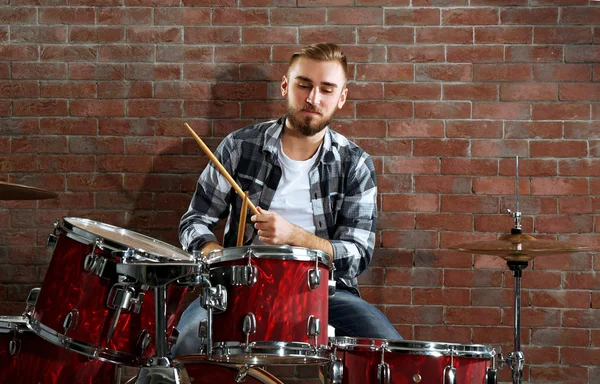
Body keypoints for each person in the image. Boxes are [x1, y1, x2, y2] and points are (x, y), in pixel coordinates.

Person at [172, 43, 401, 357]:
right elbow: (194, 221)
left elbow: (358, 254)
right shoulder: (239, 146)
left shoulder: (355, 164)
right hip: (238, 286)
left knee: (389, 351)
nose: (313, 98)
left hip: (325, 291)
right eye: (303, 85)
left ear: (341, 98)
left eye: (326, 89)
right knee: (186, 340)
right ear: (285, 86)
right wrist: (215, 257)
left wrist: (295, 237)